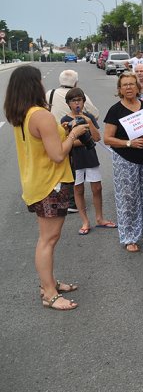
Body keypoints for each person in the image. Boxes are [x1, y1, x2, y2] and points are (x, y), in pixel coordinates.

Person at [5, 65, 91, 311]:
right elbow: (57, 154)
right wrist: (73, 133)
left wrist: (62, 132)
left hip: (36, 181)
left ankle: (49, 282)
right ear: (34, 85)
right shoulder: (41, 114)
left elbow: (43, 145)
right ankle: (49, 293)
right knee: (48, 240)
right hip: (50, 183)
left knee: (48, 238)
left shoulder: (22, 114)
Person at [103, 72, 143, 251]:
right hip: (125, 159)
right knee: (128, 198)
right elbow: (107, 138)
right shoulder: (115, 110)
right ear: (120, 89)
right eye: (125, 85)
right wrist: (129, 143)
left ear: (138, 88)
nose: (129, 87)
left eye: (132, 84)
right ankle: (129, 237)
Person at [60, 88, 115, 235]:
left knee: (97, 188)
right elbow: (67, 142)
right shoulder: (65, 120)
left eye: (80, 100)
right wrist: (81, 139)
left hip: (90, 156)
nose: (77, 103)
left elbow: (97, 138)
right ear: (68, 103)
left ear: (84, 101)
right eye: (73, 100)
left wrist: (89, 121)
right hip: (75, 159)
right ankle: (85, 221)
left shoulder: (89, 116)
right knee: (78, 190)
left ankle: (100, 218)